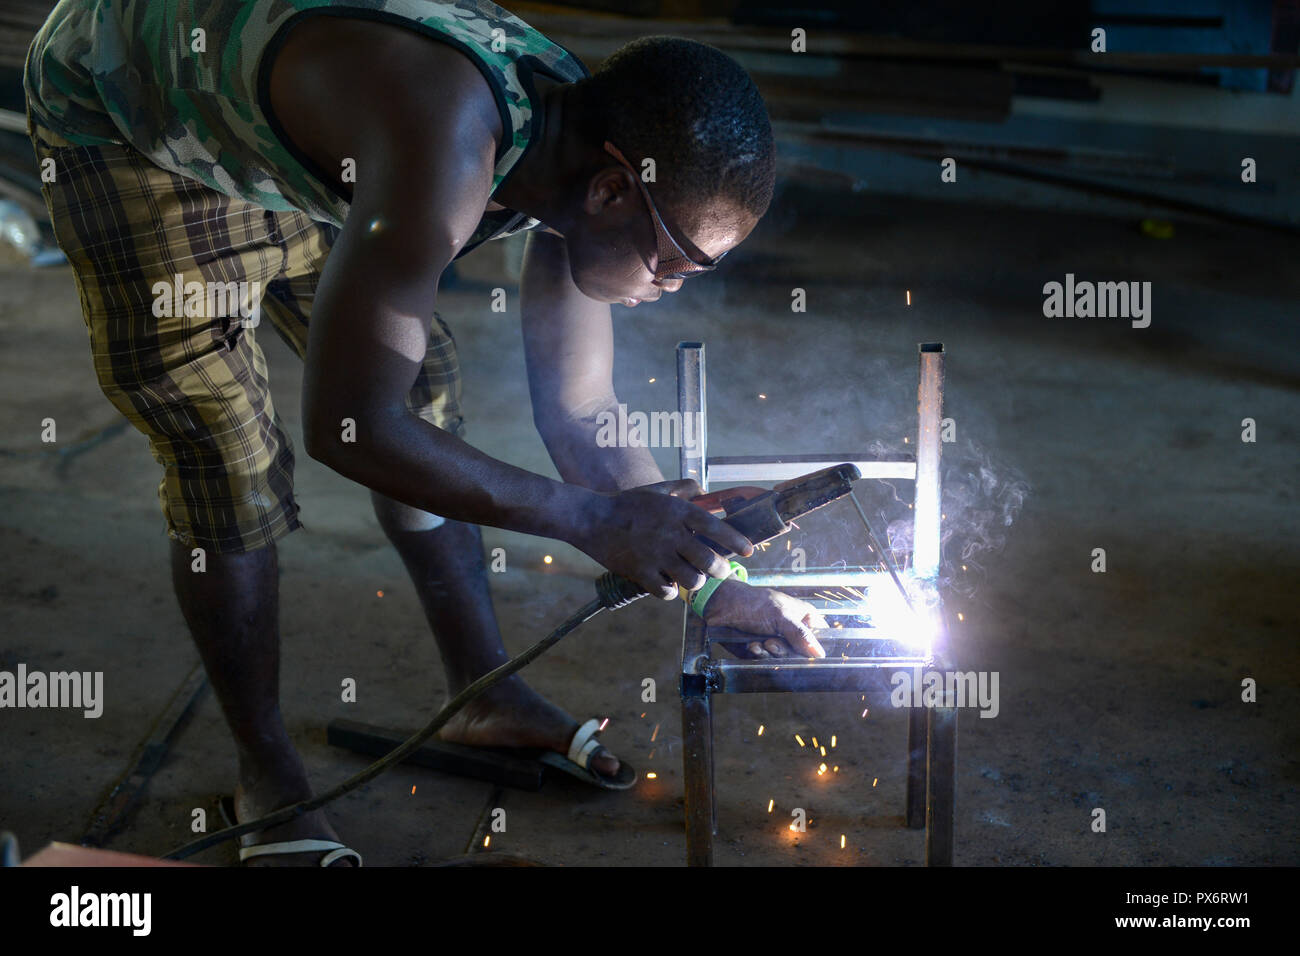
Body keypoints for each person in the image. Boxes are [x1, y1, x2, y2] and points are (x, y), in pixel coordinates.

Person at [25, 0, 826, 866]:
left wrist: (712, 579)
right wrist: (592, 523)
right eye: (679, 262)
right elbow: (348, 428)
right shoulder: (445, 145)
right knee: (229, 456)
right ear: (611, 188)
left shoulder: (583, 143)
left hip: (282, 125)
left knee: (425, 388)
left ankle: (483, 695)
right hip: (131, 114)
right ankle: (269, 778)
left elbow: (581, 410)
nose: (674, 288)